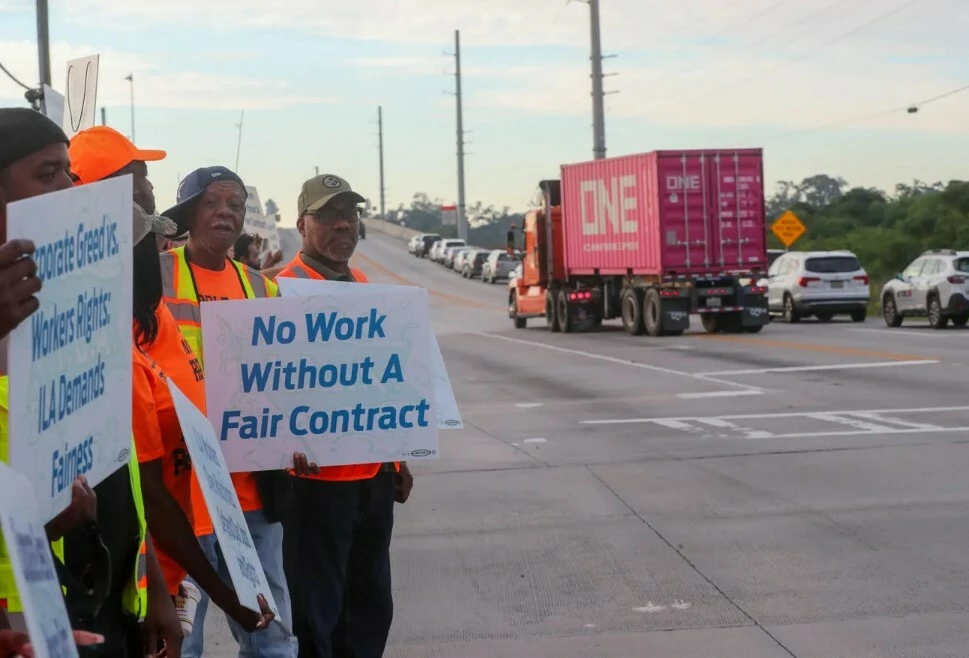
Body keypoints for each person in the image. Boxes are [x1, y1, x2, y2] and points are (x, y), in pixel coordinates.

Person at [0, 108, 169, 657]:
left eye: (70, 174)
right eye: (47, 175)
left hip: (81, 590)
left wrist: (153, 592)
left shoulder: (76, 303)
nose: (69, 189)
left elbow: (116, 468)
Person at [158, 167, 296, 658]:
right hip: (181, 495)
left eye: (235, 204)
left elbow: (283, 384)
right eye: (213, 203)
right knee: (180, 639)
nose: (226, 213)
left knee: (272, 635)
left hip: (250, 493)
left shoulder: (263, 290)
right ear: (189, 214)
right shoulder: (153, 280)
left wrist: (294, 440)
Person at [274, 173, 413, 658]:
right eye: (329, 216)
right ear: (301, 225)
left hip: (371, 480)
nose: (343, 225)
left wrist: (398, 459)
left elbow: (381, 383)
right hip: (314, 483)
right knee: (317, 612)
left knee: (370, 604)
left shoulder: (362, 286)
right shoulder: (281, 291)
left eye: (350, 215)